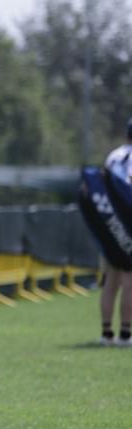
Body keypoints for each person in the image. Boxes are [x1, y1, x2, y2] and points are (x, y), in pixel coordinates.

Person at [100, 119, 132, 346]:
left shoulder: (113, 156)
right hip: (128, 225)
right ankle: (125, 334)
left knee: (111, 279)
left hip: (110, 224)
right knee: (129, 280)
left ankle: (106, 333)